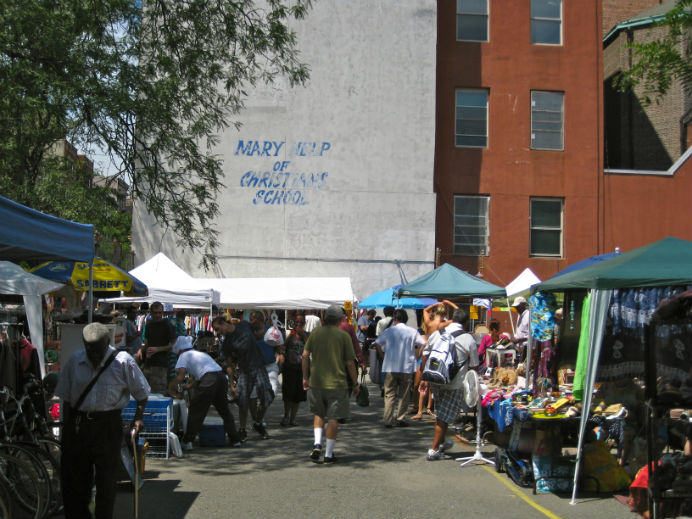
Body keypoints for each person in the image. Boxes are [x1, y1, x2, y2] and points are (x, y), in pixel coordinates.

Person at [55, 322, 149, 519]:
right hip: (79, 424)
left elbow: (142, 394)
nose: (94, 353)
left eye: (98, 348)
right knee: (76, 481)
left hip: (108, 425)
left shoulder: (123, 362)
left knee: (106, 480)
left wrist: (138, 418)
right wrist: (67, 429)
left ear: (108, 342)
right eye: (89, 348)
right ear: (84, 344)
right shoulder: (75, 360)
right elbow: (67, 399)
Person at [419, 306, 479, 461]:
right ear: (465, 323)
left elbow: (426, 355)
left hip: (436, 378)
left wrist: (424, 378)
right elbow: (474, 366)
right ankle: (433, 450)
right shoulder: (469, 339)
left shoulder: (437, 333)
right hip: (454, 383)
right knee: (443, 417)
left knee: (441, 413)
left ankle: (441, 443)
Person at [302, 305, 360, 463]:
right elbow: (350, 363)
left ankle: (317, 444)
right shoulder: (343, 336)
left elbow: (305, 355)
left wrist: (305, 377)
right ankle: (328, 454)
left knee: (319, 414)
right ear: (340, 319)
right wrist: (355, 383)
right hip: (337, 383)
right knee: (333, 418)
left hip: (316, 381)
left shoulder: (315, 333)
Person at [167, 338, 242, 450]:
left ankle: (188, 441)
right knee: (224, 410)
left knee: (196, 409)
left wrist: (170, 388)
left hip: (209, 380)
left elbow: (180, 376)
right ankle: (235, 440)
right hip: (220, 378)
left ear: (180, 349)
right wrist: (190, 385)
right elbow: (206, 372)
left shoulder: (184, 355)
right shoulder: (199, 354)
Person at [212, 315, 274, 441]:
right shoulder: (227, 343)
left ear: (224, 323)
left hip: (259, 365)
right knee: (243, 400)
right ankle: (242, 429)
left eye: (217, 329)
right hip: (245, 370)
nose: (217, 332)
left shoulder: (244, 325)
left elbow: (257, 333)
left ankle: (258, 422)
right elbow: (229, 366)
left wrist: (268, 333)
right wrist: (232, 385)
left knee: (267, 396)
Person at [374, 309, 426, 428]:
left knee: (389, 394)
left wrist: (383, 356)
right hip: (406, 366)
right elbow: (423, 343)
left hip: (391, 366)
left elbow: (377, 343)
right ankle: (400, 418)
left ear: (395, 319)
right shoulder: (412, 331)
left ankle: (387, 419)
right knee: (404, 394)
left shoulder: (389, 331)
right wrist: (417, 356)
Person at [136, 301, 176, 394]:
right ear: (151, 313)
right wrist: (141, 350)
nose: (157, 315)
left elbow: (173, 345)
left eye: (159, 313)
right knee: (146, 392)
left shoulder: (167, 325)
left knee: (158, 393)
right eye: (155, 313)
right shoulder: (149, 325)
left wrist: (158, 349)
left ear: (162, 313)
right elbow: (147, 342)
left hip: (160, 365)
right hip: (148, 364)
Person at [278, 313, 308, 426]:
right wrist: (281, 355)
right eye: (296, 322)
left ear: (304, 323)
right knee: (288, 394)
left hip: (301, 368)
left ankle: (293, 418)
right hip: (289, 367)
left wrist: (303, 336)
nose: (298, 324)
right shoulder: (289, 333)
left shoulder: (307, 334)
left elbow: (310, 347)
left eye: (301, 322)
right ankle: (286, 416)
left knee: (298, 395)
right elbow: (282, 347)